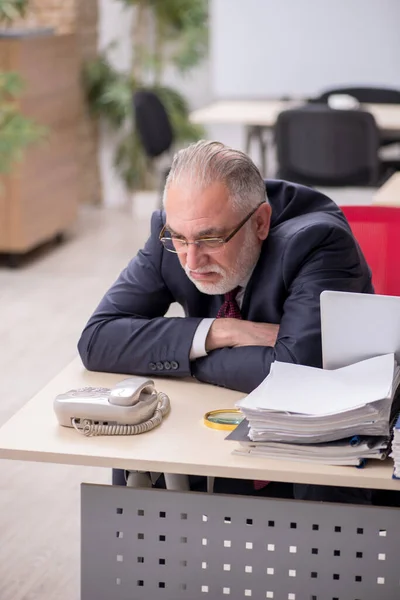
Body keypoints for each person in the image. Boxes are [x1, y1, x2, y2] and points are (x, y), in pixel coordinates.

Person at [78, 140, 373, 503]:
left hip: (313, 454)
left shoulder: (318, 240)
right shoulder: (172, 231)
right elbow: (97, 339)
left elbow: (296, 371)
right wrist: (219, 332)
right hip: (215, 430)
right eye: (180, 239)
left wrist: (188, 361)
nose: (191, 260)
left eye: (211, 239)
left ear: (261, 222)